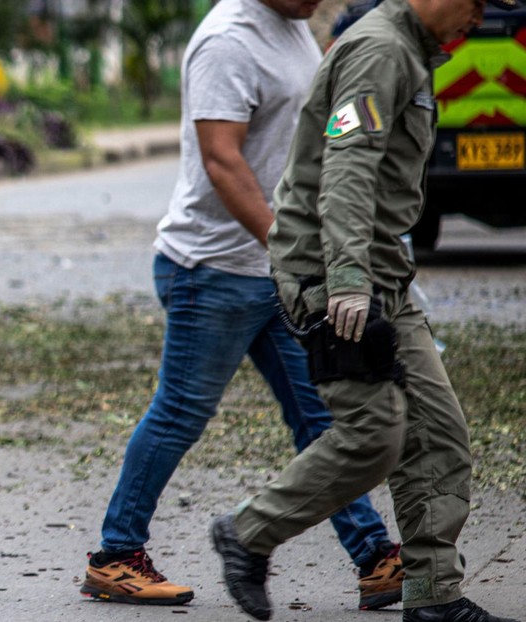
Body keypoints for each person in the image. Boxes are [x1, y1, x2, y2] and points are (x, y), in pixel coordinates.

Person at [79, 0, 404, 611]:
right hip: (214, 271)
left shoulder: (290, 28)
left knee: (321, 419)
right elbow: (221, 160)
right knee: (180, 412)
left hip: (271, 272)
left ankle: (374, 557)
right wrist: (296, 256)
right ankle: (115, 556)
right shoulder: (227, 40)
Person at [209, 0, 523, 620]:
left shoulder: (411, 50)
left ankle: (433, 597)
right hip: (334, 277)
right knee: (375, 436)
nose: (479, 17)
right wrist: (349, 281)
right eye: (476, 3)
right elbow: (347, 168)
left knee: (438, 438)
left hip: (382, 278)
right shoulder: (380, 49)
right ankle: (248, 532)